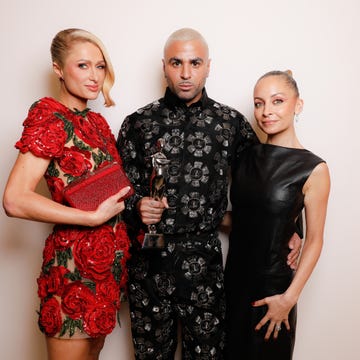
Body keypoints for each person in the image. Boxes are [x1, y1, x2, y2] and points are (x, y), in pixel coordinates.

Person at [117, 28, 301, 359]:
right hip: (148, 269)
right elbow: (118, 190)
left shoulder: (230, 124)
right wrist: (136, 205)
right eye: (177, 63)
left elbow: (269, 182)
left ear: (208, 66)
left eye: (195, 62)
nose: (186, 73)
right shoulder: (138, 123)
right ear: (164, 66)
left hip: (205, 268)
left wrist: (292, 228)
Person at [2, 28, 131, 360]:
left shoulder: (98, 124)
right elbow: (15, 199)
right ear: (58, 69)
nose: (94, 76)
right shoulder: (49, 116)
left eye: (100, 67)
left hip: (107, 270)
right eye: (83, 66)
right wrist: (89, 218)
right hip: (72, 270)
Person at [224, 70, 331, 359]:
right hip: (232, 286)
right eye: (259, 103)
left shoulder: (313, 168)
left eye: (277, 101)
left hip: (273, 292)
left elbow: (315, 240)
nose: (266, 111)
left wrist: (288, 299)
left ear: (298, 105)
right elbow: (245, 219)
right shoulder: (244, 157)